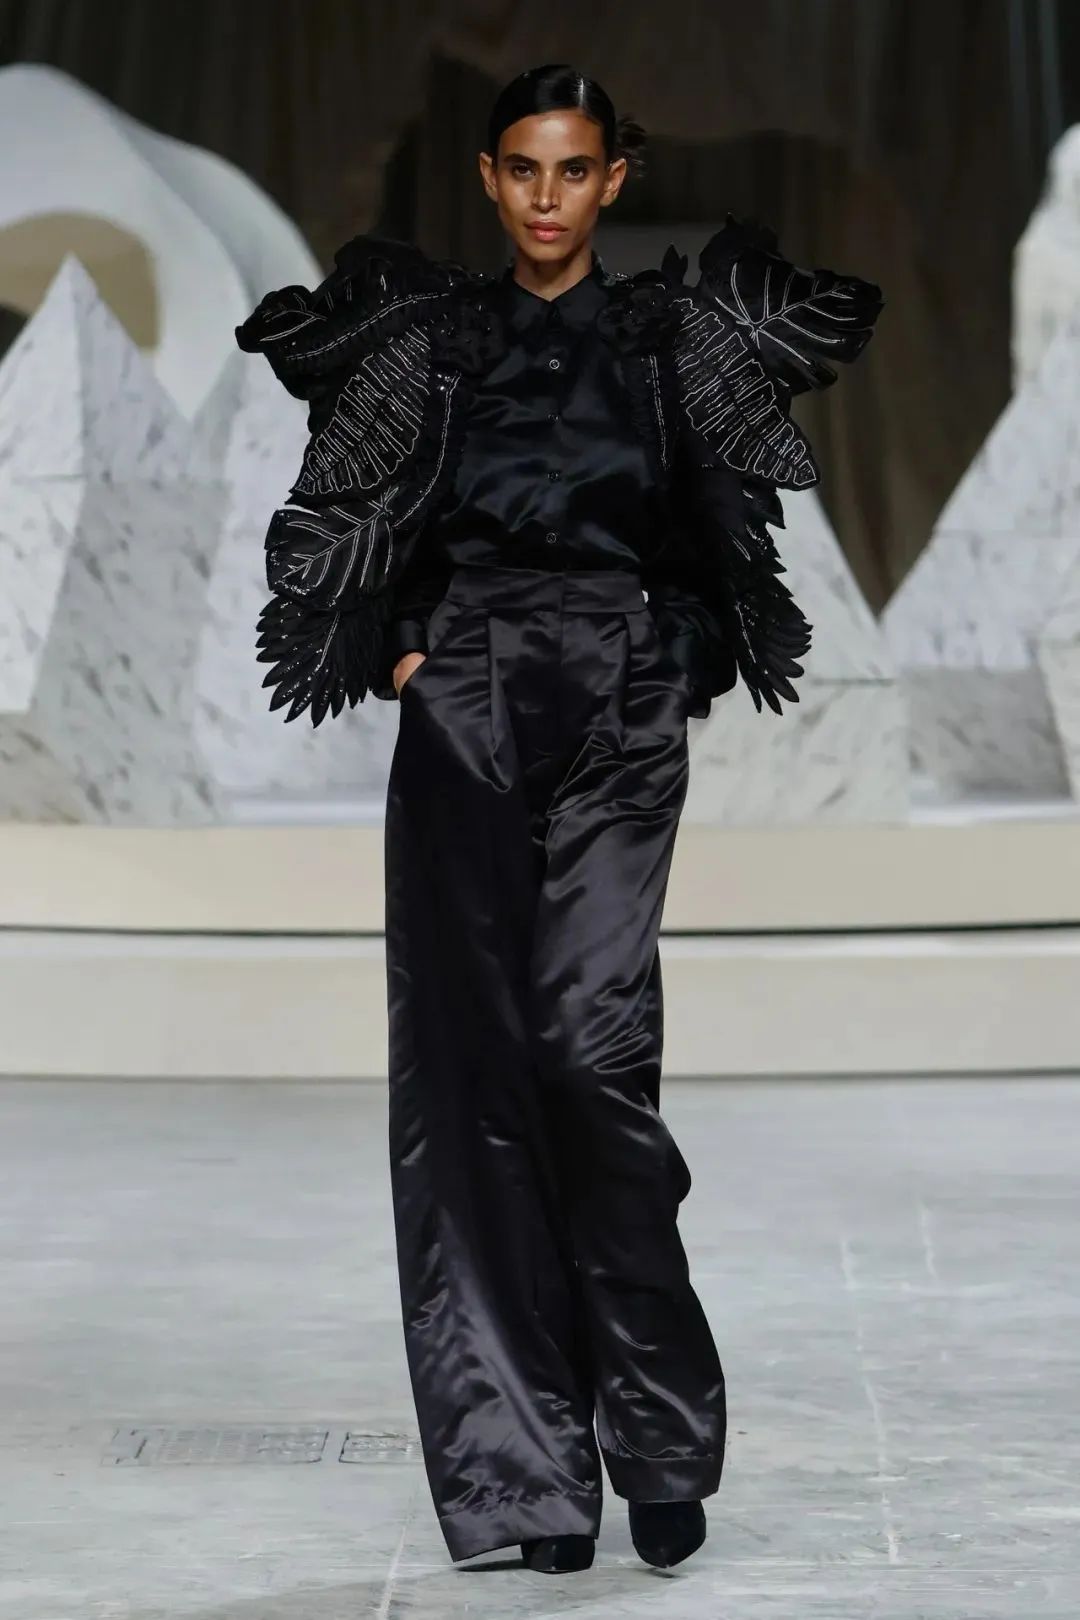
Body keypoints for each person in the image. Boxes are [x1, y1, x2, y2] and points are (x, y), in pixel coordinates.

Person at [236, 63, 883, 1575]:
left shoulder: (671, 342)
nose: (546, 196)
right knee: (471, 1075)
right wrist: (411, 655)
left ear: (613, 179)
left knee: (590, 1054)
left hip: (615, 704)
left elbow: (724, 552)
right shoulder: (432, 342)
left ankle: (655, 1428)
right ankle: (527, 1475)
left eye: (574, 170)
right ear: (488, 178)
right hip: (463, 705)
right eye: (522, 169)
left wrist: (668, 660)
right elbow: (353, 522)